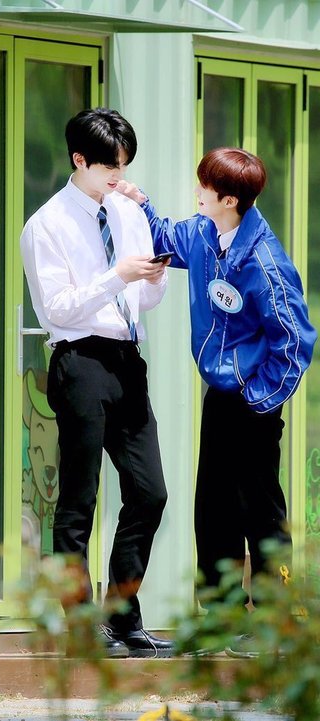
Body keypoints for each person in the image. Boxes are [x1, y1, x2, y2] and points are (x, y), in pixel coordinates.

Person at [118, 148, 317, 639]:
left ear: (229, 200)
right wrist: (139, 201)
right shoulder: (204, 234)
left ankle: (273, 621)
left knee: (261, 514)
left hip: (253, 403)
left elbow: (296, 342)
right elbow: (165, 237)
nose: (197, 191)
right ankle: (222, 618)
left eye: (205, 186)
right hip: (220, 399)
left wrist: (259, 399)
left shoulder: (265, 262)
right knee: (213, 510)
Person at [20, 107, 173, 659]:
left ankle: (122, 615)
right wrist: (116, 276)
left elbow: (144, 300)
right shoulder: (46, 225)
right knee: (79, 499)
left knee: (150, 492)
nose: (118, 175)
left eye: (123, 164)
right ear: (79, 159)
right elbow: (58, 307)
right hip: (79, 360)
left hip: (127, 358)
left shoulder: (128, 212)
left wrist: (149, 279)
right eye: (109, 166)